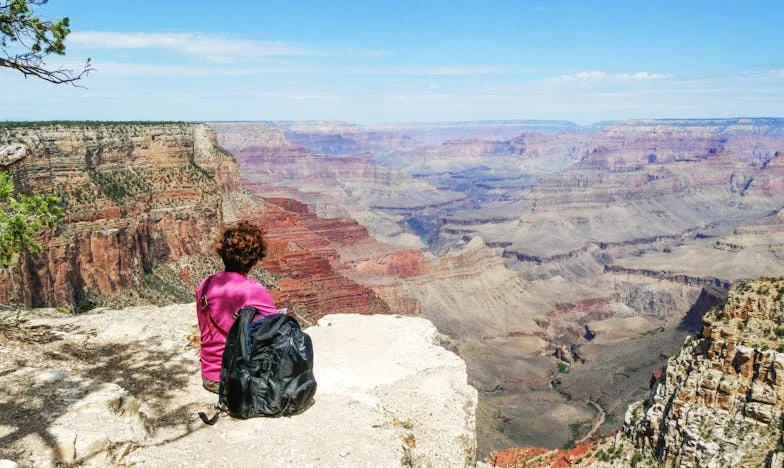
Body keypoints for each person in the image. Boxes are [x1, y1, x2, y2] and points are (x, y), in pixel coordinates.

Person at [196, 220, 278, 394]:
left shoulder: (204, 284)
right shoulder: (252, 289)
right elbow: (277, 329)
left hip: (208, 376)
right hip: (235, 379)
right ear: (254, 260)